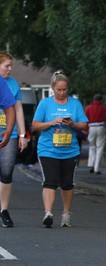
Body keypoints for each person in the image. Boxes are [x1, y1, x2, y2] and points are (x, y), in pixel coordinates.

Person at [32, 70, 88, 228]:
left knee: (67, 183)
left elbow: (84, 125)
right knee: (50, 181)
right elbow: (35, 125)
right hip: (48, 149)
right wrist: (51, 122)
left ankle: (66, 214)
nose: (62, 93)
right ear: (53, 88)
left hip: (70, 150)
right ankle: (48, 213)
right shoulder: (45, 104)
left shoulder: (75, 104)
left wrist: (72, 124)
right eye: (59, 90)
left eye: (64, 89)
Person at [0, 52, 28, 227]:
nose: (10, 69)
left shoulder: (13, 84)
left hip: (10, 134)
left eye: (11, 66)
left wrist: (22, 135)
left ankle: (4, 210)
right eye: (6, 66)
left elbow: (17, 110)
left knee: (7, 171)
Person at [85, 94, 106, 175]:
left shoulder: (88, 108)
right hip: (101, 127)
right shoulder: (104, 108)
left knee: (92, 147)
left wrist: (85, 129)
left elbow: (85, 119)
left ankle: (91, 165)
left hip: (91, 127)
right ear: (101, 100)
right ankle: (97, 168)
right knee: (100, 147)